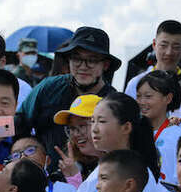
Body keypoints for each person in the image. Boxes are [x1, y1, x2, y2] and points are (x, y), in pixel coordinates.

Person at [16, 27, 119, 171]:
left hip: (96, 184)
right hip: (45, 180)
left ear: (105, 65)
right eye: (77, 59)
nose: (83, 66)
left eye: (92, 60)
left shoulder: (114, 103)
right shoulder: (49, 88)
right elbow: (18, 123)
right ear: (69, 60)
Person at [135, 70, 181, 192]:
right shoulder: (132, 134)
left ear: (168, 98)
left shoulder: (179, 137)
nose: (142, 102)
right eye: (138, 96)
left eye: (148, 96)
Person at [124, 20, 181, 98]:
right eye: (163, 45)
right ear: (154, 44)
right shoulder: (136, 83)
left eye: (176, 47)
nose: (169, 52)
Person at [52, 94, 102, 186]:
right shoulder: (72, 166)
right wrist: (72, 179)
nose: (75, 134)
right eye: (72, 128)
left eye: (82, 126)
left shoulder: (119, 163)